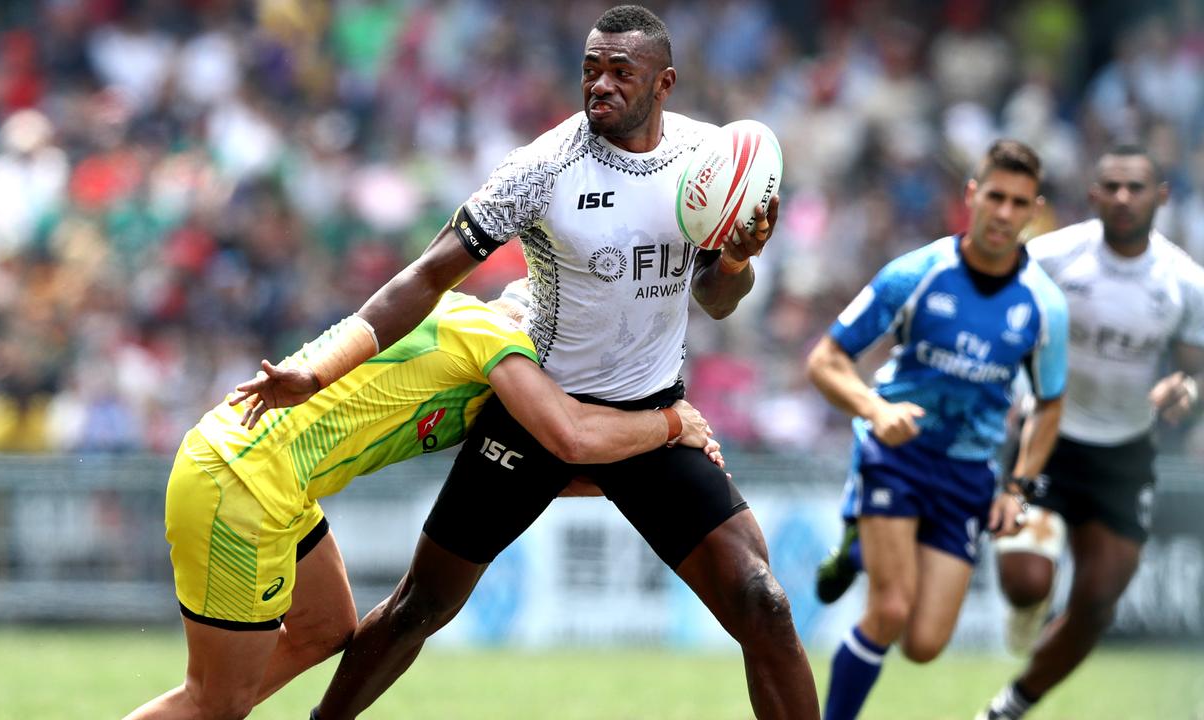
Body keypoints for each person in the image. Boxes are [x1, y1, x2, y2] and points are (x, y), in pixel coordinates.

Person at [238, 6, 821, 719]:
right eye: (590, 70)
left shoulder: (705, 165)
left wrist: (735, 258)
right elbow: (425, 277)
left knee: (763, 604)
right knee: (421, 607)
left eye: (620, 73)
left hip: (650, 419)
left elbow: (719, 299)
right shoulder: (543, 168)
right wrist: (321, 367)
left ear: (663, 83)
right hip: (539, 416)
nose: (599, 86)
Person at [122, 286, 721, 720]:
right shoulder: (493, 338)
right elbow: (572, 435)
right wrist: (670, 425)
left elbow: (545, 469)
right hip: (243, 482)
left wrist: (654, 471)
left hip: (264, 480)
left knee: (326, 629)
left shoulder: (480, 371)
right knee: (214, 701)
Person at [804, 139, 1069, 720]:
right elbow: (825, 359)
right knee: (889, 611)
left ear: (1034, 210)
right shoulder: (917, 274)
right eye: (994, 196)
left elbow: (1050, 405)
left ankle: (858, 547)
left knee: (924, 645)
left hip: (968, 474)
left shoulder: (1045, 307)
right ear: (972, 196)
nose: (1003, 213)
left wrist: (1018, 486)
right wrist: (875, 410)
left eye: (1018, 202)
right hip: (895, 456)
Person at [976, 146, 1204, 720]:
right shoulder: (1051, 256)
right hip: (1046, 436)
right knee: (1028, 583)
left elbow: (1193, 366)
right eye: (1112, 186)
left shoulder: (1185, 283)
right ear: (1094, 194)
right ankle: (1026, 607)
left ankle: (1009, 708)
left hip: (1125, 454)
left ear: (1161, 196)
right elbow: (1000, 319)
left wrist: (1186, 389)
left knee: (1097, 604)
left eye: (1136, 187)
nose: (1124, 198)